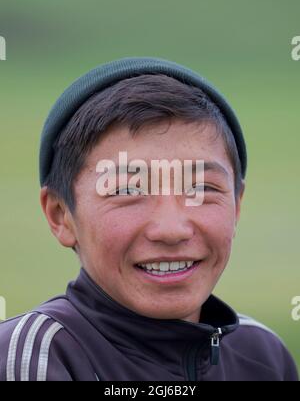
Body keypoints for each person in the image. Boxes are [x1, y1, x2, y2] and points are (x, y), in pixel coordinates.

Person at [0, 57, 298, 381]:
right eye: (128, 191)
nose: (171, 230)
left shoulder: (262, 357)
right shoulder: (35, 358)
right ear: (61, 215)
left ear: (237, 205)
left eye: (201, 188)